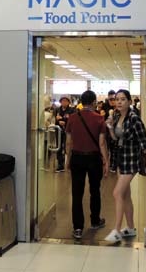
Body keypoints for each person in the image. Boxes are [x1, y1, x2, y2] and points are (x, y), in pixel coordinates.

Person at [104, 89, 146, 242]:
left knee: (117, 193)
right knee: (125, 195)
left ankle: (117, 230)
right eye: (117, 99)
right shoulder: (117, 116)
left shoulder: (134, 119)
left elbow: (144, 142)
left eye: (123, 99)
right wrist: (110, 128)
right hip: (120, 159)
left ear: (130, 102)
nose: (119, 102)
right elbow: (115, 139)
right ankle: (130, 228)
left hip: (132, 160)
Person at [65, 90, 110, 239]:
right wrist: (106, 161)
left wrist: (67, 159)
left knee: (76, 193)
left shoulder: (72, 118)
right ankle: (95, 221)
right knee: (94, 190)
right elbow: (102, 143)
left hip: (77, 158)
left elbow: (68, 142)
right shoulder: (99, 119)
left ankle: (77, 228)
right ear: (93, 102)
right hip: (93, 159)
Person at [54, 96, 74, 172]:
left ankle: (70, 163)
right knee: (58, 147)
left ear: (68, 102)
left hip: (68, 131)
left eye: (66, 101)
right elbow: (55, 120)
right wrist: (58, 121)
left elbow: (73, 120)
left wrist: (65, 122)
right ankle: (60, 164)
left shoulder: (72, 110)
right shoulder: (57, 110)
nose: (64, 102)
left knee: (68, 147)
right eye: (62, 101)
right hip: (59, 131)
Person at [101, 90, 118, 172]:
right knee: (105, 147)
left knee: (114, 148)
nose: (112, 101)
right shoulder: (104, 106)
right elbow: (101, 118)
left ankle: (113, 164)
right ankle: (105, 162)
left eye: (113, 99)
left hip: (115, 131)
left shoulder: (119, 107)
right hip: (105, 131)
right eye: (110, 99)